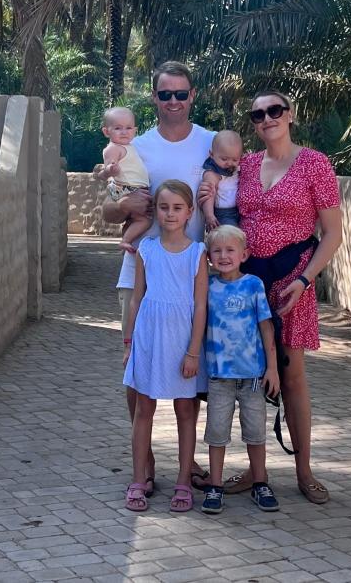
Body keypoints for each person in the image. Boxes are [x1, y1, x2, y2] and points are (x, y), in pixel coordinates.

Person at [222, 91, 343, 505]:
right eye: (258, 114)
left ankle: (304, 471)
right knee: (245, 375)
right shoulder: (248, 164)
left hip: (293, 280)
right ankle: (256, 472)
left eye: (274, 111)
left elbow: (331, 235)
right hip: (248, 282)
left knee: (291, 376)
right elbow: (227, 214)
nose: (267, 118)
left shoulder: (315, 164)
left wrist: (306, 280)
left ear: (289, 114)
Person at [103, 61, 215, 489]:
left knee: (193, 369)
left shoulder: (208, 142)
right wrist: (125, 209)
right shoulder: (136, 146)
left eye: (181, 94)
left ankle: (190, 467)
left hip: (192, 276)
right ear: (154, 98)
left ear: (193, 96)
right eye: (165, 94)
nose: (173, 102)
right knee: (137, 371)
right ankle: (144, 464)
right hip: (141, 275)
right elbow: (108, 209)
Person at [122, 180, 209, 512]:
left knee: (185, 411)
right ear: (155, 211)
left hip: (181, 341)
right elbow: (137, 299)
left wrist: (193, 351)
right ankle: (138, 478)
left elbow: (200, 306)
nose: (170, 214)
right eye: (163, 207)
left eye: (177, 208)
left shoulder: (197, 252)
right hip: (149, 339)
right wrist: (130, 343)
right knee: (144, 409)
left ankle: (184, 482)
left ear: (189, 213)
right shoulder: (147, 249)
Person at [199, 225, 279, 515]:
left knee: (256, 432)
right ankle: (215, 485)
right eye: (217, 251)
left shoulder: (253, 284)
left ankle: (260, 482)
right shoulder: (206, 285)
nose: (223, 256)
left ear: (244, 254)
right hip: (220, 376)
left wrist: (272, 369)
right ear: (208, 256)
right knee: (217, 432)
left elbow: (266, 327)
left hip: (253, 377)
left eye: (230, 250)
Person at [96, 106, 152, 253]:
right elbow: (104, 173)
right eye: (118, 128)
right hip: (127, 188)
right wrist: (110, 170)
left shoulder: (129, 146)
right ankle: (126, 240)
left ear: (135, 130)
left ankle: (127, 239)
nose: (124, 132)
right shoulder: (113, 148)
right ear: (106, 131)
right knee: (144, 220)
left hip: (132, 188)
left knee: (138, 219)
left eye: (128, 128)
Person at [200, 129, 243, 231]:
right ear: (212, 154)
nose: (229, 163)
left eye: (234, 160)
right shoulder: (213, 173)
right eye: (224, 159)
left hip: (239, 211)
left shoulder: (235, 169)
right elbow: (208, 195)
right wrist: (209, 215)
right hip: (223, 214)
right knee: (231, 235)